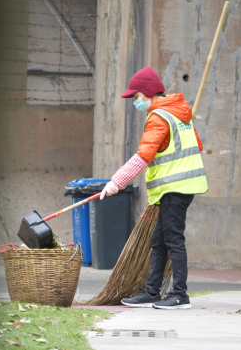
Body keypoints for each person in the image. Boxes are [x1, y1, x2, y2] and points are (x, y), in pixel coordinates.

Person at [100, 66, 208, 310]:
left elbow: (143, 157)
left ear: (147, 93)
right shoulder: (180, 115)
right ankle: (152, 292)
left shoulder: (160, 116)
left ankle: (180, 295)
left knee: (173, 240)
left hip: (175, 187)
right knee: (159, 241)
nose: (136, 102)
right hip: (178, 187)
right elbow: (197, 146)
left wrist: (116, 182)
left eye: (136, 97)